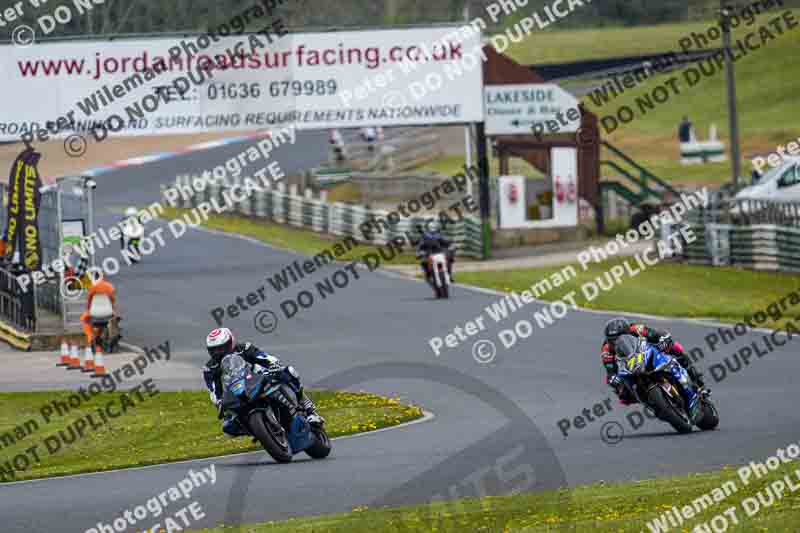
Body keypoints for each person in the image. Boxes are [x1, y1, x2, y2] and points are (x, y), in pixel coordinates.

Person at [202, 327, 323, 438]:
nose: (219, 352)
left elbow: (264, 357)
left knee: (289, 372)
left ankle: (310, 411)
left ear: (231, 342)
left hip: (257, 378)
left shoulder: (244, 348)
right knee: (228, 428)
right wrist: (219, 402)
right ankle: (256, 430)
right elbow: (213, 389)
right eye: (214, 350)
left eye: (222, 347)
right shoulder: (210, 367)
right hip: (237, 389)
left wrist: (274, 365)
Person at [600, 317, 706, 404]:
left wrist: (663, 340)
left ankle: (698, 382)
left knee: (675, 348)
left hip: (645, 352)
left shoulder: (636, 329)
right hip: (628, 366)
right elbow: (610, 370)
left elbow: (655, 334)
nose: (616, 342)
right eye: (612, 340)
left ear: (628, 332)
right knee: (621, 393)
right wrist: (613, 378)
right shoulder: (606, 349)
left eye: (619, 338)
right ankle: (651, 403)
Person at [80, 274, 120, 349]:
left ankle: (91, 338)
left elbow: (89, 301)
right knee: (114, 320)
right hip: (108, 312)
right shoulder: (110, 287)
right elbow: (113, 301)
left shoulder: (93, 287)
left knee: (84, 320)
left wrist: (89, 310)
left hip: (95, 313)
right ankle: (106, 337)